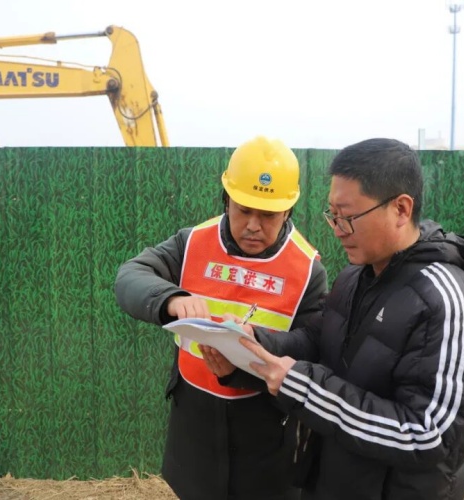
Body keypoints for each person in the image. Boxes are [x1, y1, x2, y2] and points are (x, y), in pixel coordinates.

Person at [203, 138, 464, 499]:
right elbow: (316, 342)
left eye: (348, 217)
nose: (337, 228)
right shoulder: (354, 277)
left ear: (401, 209)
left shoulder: (444, 302)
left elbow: (428, 435)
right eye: (332, 214)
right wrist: (249, 348)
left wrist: (304, 388)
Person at [114, 136, 328, 500]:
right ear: (226, 199)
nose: (253, 225)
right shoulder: (192, 243)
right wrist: (171, 298)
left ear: (288, 211)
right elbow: (130, 276)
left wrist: (253, 349)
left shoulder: (308, 270)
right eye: (243, 210)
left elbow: (311, 345)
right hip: (195, 427)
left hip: (266, 437)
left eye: (268, 215)